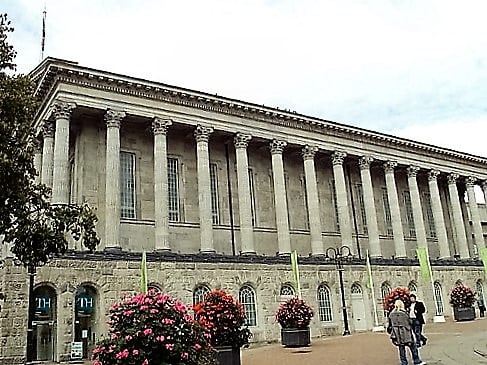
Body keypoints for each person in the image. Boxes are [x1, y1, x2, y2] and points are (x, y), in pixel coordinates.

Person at [387, 299, 426, 365]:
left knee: (401, 349)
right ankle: (416, 360)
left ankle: (404, 362)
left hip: (397, 334)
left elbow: (390, 325)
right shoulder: (404, 313)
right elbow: (410, 322)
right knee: (413, 347)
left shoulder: (391, 314)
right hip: (406, 333)